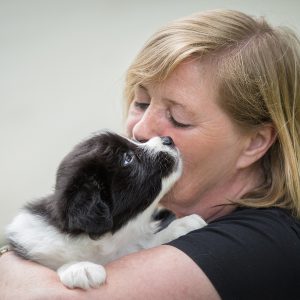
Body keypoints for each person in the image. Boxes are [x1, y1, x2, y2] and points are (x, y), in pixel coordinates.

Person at [1, 9, 300, 300]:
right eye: (141, 102)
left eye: (179, 118)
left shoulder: (263, 245)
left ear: (255, 143)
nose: (141, 130)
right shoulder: (151, 218)